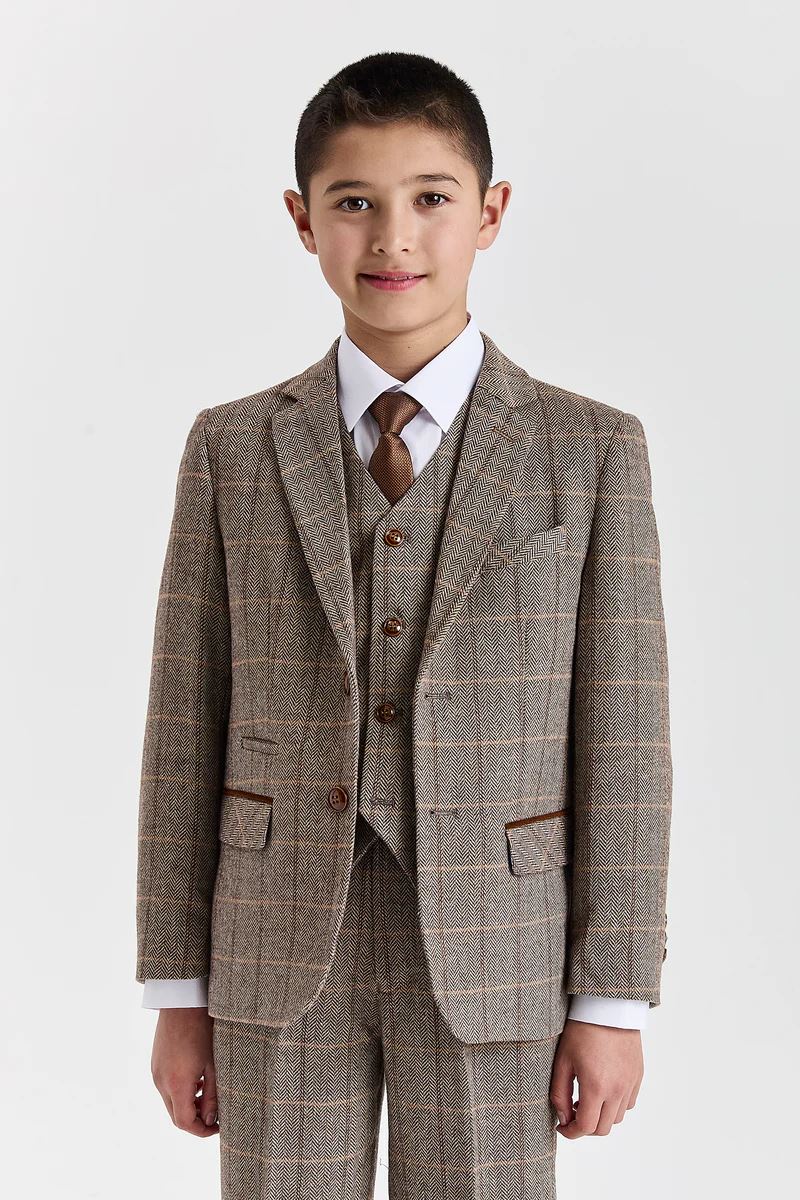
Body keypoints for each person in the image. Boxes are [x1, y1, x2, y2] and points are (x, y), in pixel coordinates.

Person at [135, 50, 672, 1200]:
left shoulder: (589, 451)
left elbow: (624, 737)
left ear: (490, 212)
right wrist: (176, 989)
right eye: (353, 203)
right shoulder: (232, 448)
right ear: (301, 220)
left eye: (430, 197)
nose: (393, 237)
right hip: (277, 945)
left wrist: (612, 997)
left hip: (496, 947)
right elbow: (184, 720)